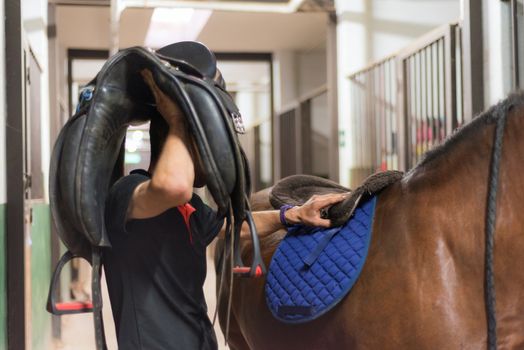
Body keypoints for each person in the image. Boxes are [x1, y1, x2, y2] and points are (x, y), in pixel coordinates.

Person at [103, 68, 347, 350]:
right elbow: (172, 187)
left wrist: (290, 215)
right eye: (206, 145)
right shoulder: (127, 193)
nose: (215, 159)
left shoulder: (189, 206)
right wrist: (178, 120)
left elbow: (233, 226)